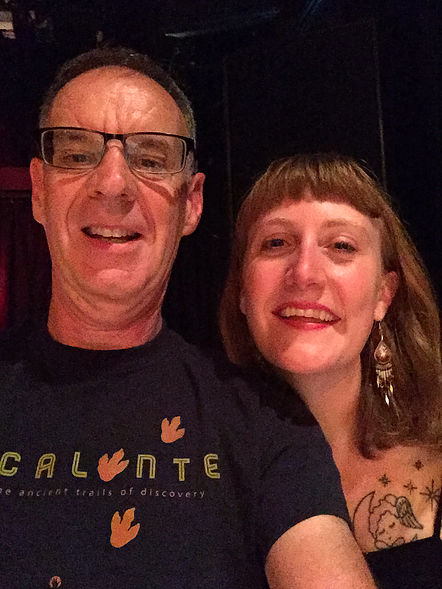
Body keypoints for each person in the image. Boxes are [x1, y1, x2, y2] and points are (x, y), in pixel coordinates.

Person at [0, 49, 376, 588]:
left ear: (192, 204)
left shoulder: (265, 421)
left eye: (151, 160)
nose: (113, 184)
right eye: (78, 154)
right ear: (38, 191)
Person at [220, 153, 442, 588]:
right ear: (243, 290)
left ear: (384, 294)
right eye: (276, 243)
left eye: (341, 246)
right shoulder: (188, 475)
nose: (305, 273)